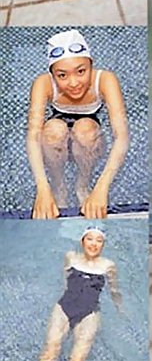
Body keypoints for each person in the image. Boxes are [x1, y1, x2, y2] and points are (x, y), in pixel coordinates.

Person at [27, 29, 131, 219]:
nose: (74, 83)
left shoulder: (105, 80)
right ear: (52, 74)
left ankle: (83, 184)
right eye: (62, 75)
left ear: (91, 65)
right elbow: (33, 137)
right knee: (53, 130)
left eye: (81, 71)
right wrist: (43, 188)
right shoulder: (43, 83)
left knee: (85, 129)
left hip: (89, 139)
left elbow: (122, 136)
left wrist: (102, 187)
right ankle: (59, 185)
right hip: (55, 139)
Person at [27, 225, 122, 361]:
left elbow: (114, 290)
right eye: (90, 239)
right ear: (82, 241)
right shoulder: (71, 257)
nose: (94, 244)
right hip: (64, 308)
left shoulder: (108, 266)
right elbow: (65, 279)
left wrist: (120, 309)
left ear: (103, 245)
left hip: (89, 313)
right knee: (49, 354)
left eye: (99, 240)